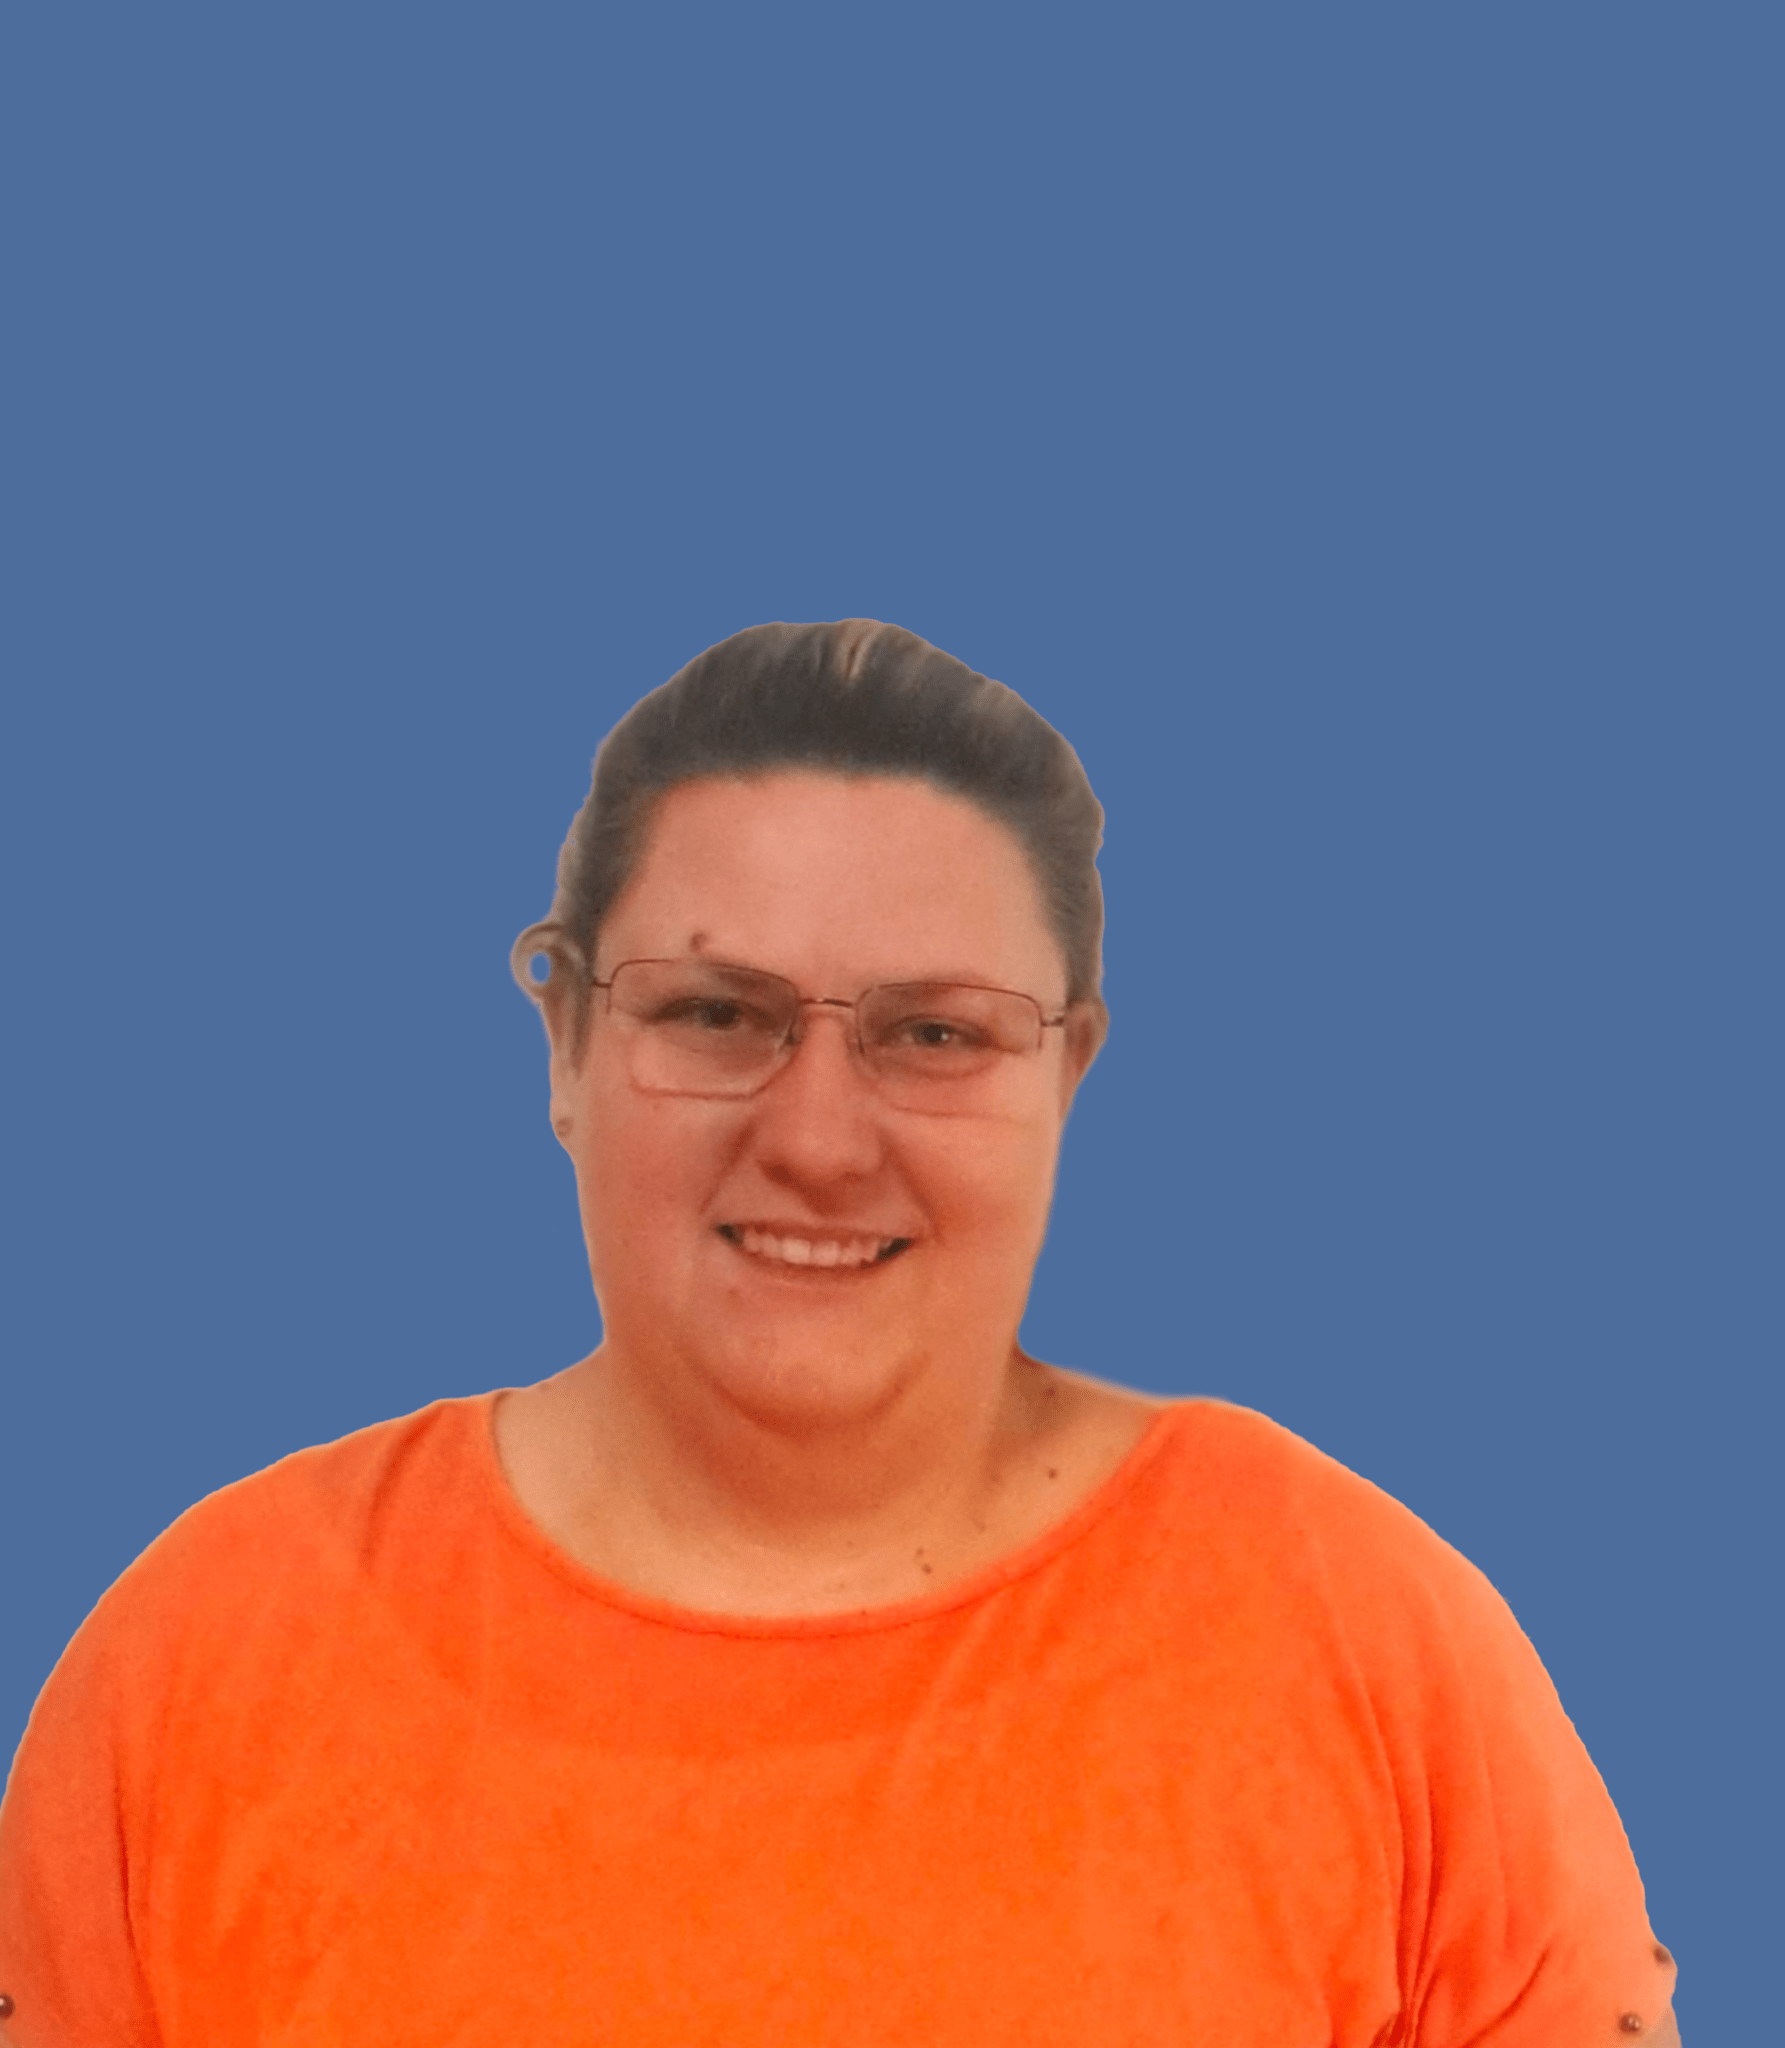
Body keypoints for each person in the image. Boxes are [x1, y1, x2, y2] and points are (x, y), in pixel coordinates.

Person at [0, 619, 1679, 2045]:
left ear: (1067, 1072)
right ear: (567, 1048)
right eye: (715, 1013)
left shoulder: (1366, 1644)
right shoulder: (202, 1666)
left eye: (934, 1033)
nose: (815, 1137)